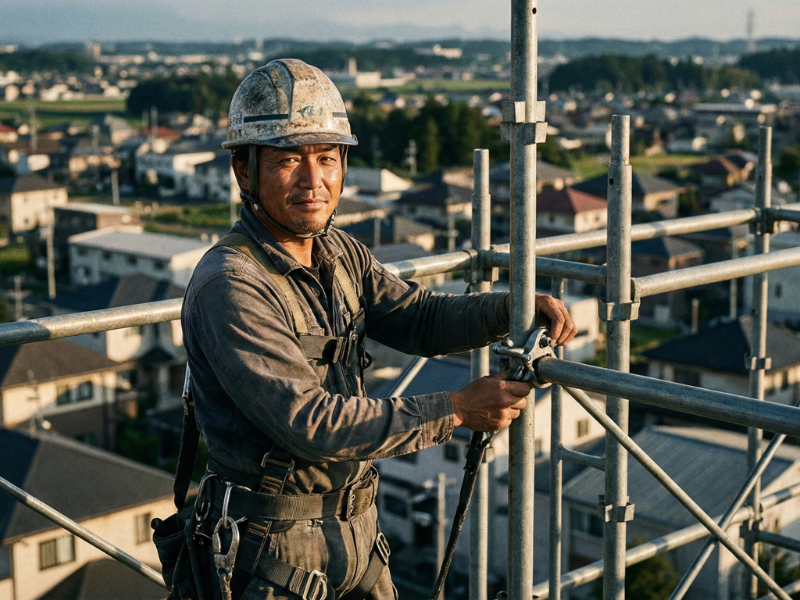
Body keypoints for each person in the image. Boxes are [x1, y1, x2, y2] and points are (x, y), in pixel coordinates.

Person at [180, 58, 576, 600]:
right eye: (288, 160)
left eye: (326, 158)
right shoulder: (231, 284)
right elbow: (309, 423)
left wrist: (510, 309)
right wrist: (456, 410)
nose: (313, 180)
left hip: (357, 532)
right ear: (244, 171)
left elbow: (421, 318)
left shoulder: (339, 253)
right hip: (270, 548)